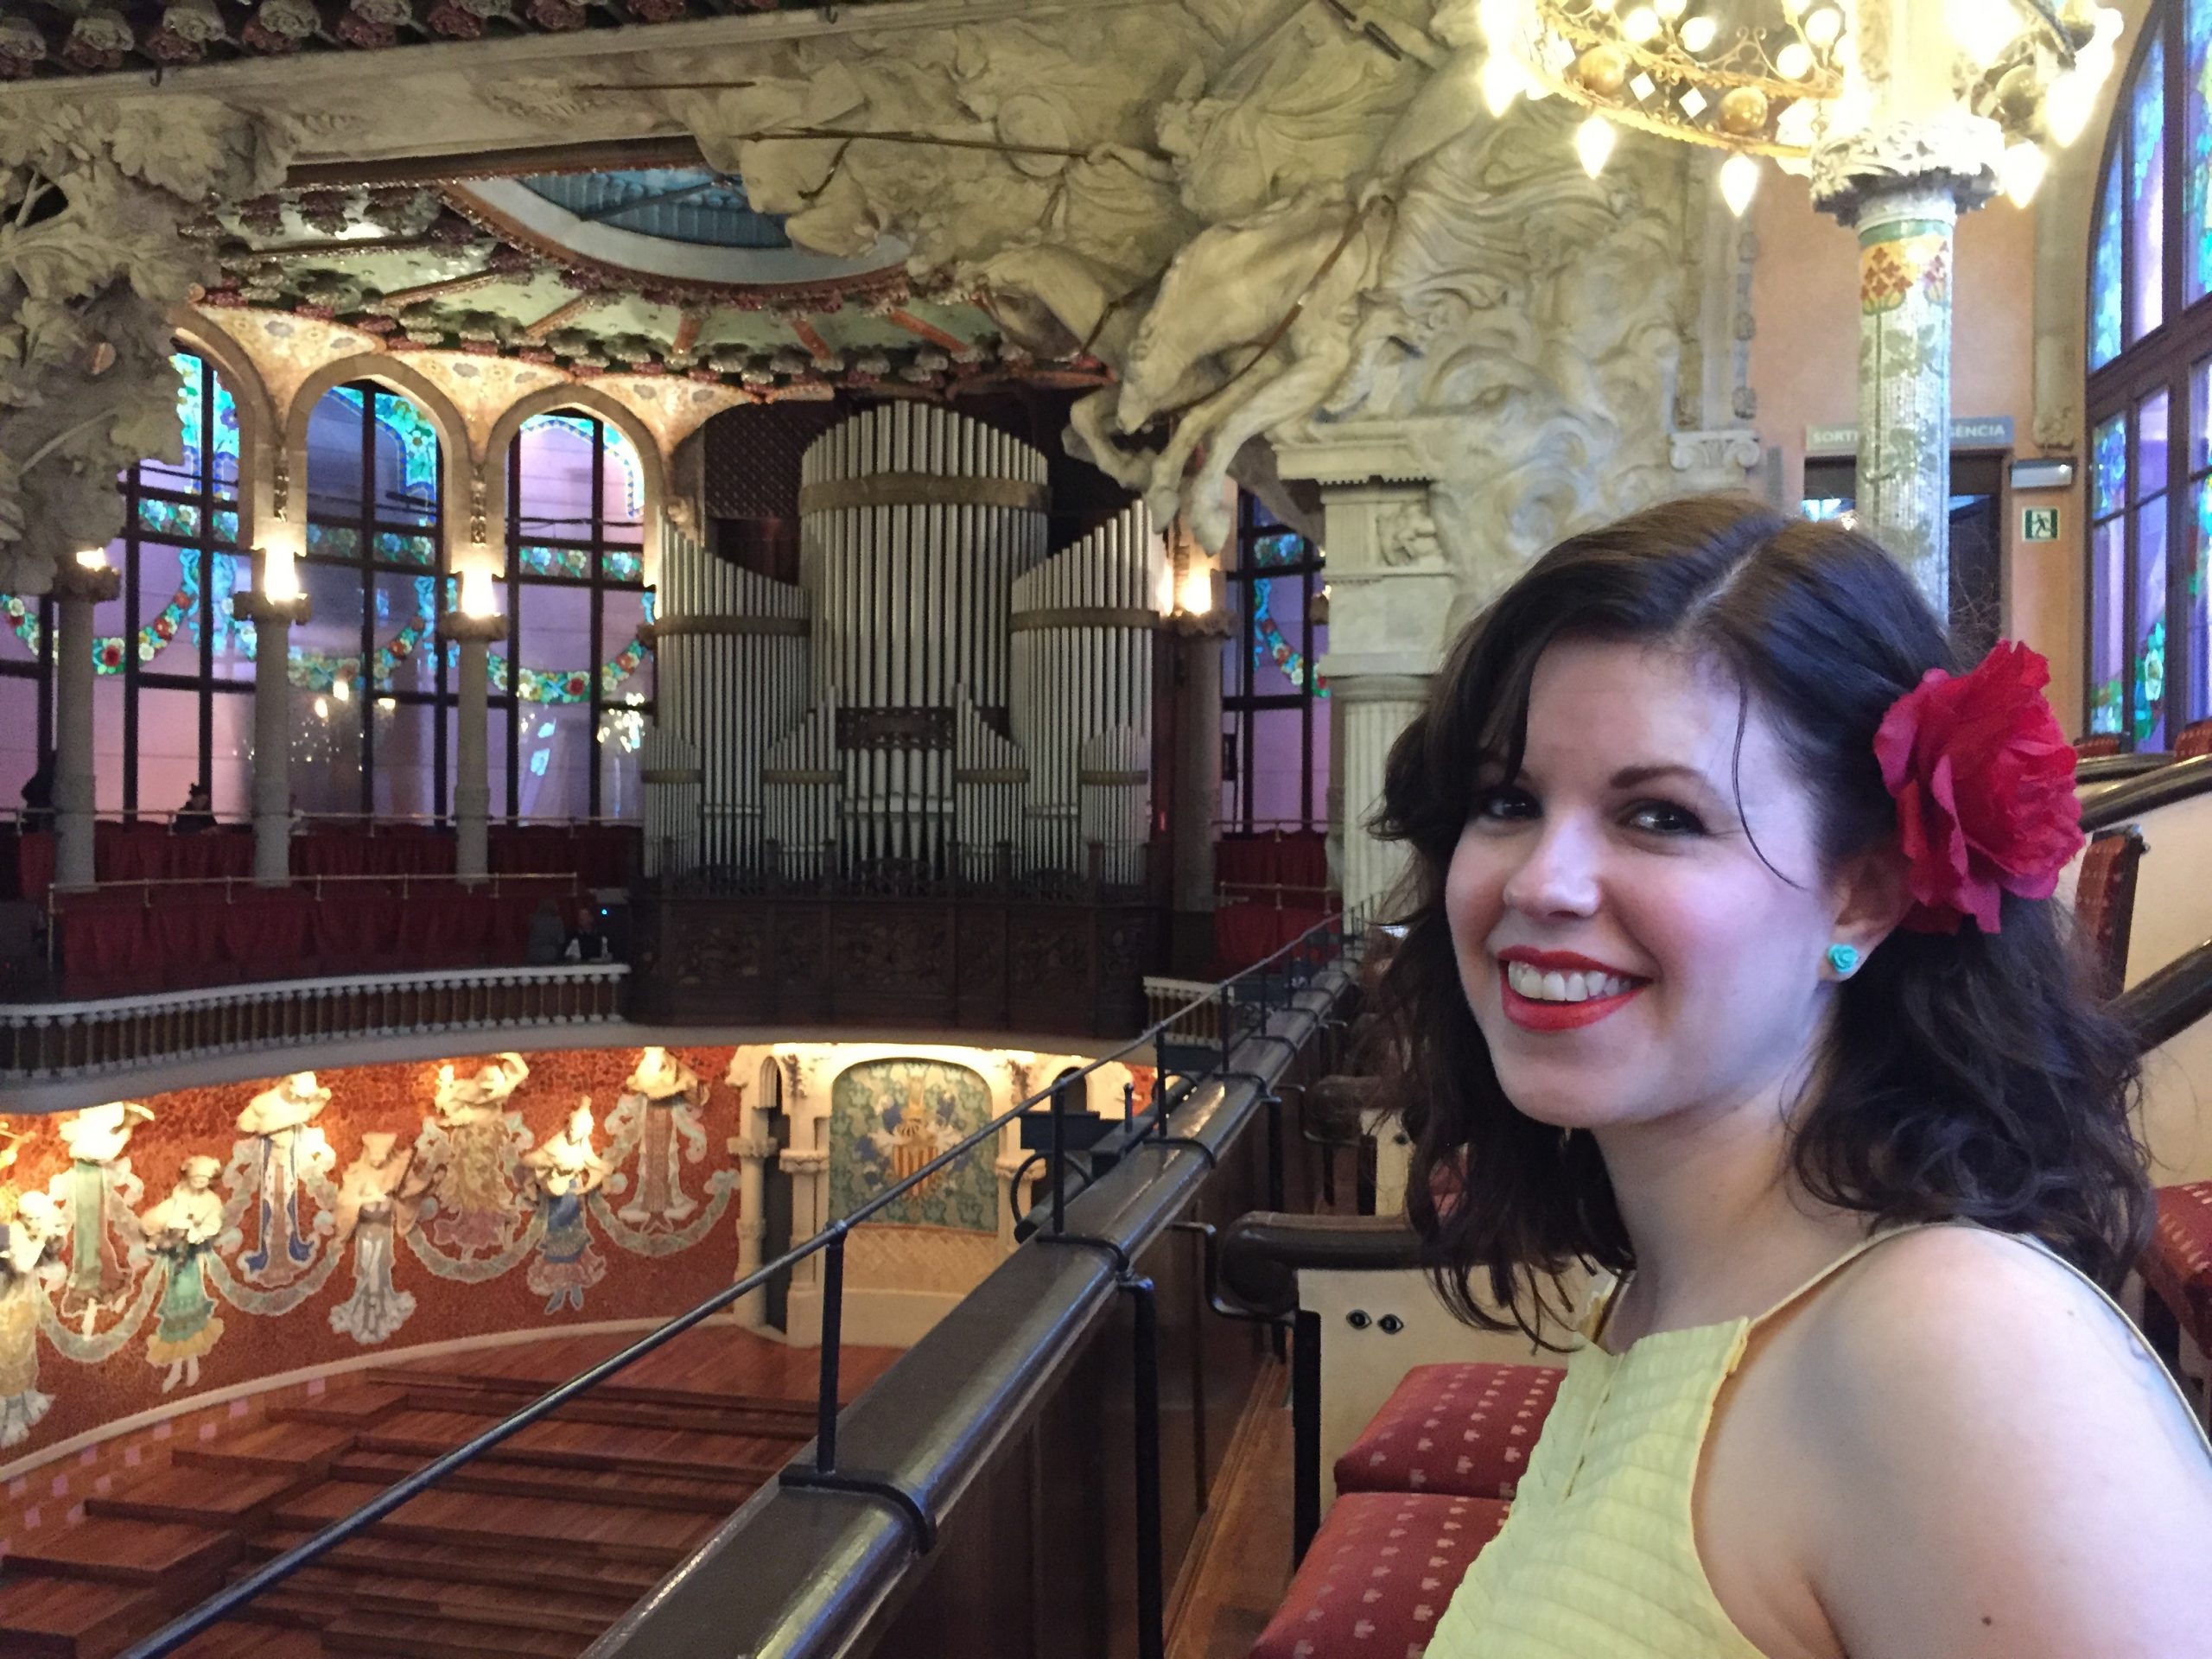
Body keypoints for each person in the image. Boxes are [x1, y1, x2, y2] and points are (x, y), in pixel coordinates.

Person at [1373, 497, 2212, 1659]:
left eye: (1660, 816)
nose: (1543, 883)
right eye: (1508, 802)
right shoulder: (1665, 1298)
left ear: (1862, 895)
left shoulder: (1955, 1346)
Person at [18, 753, 53, 830]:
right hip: (40, 816)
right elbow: (26, 792)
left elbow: (25, 792)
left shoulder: (45, 773)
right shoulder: (47, 774)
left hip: (36, 815)